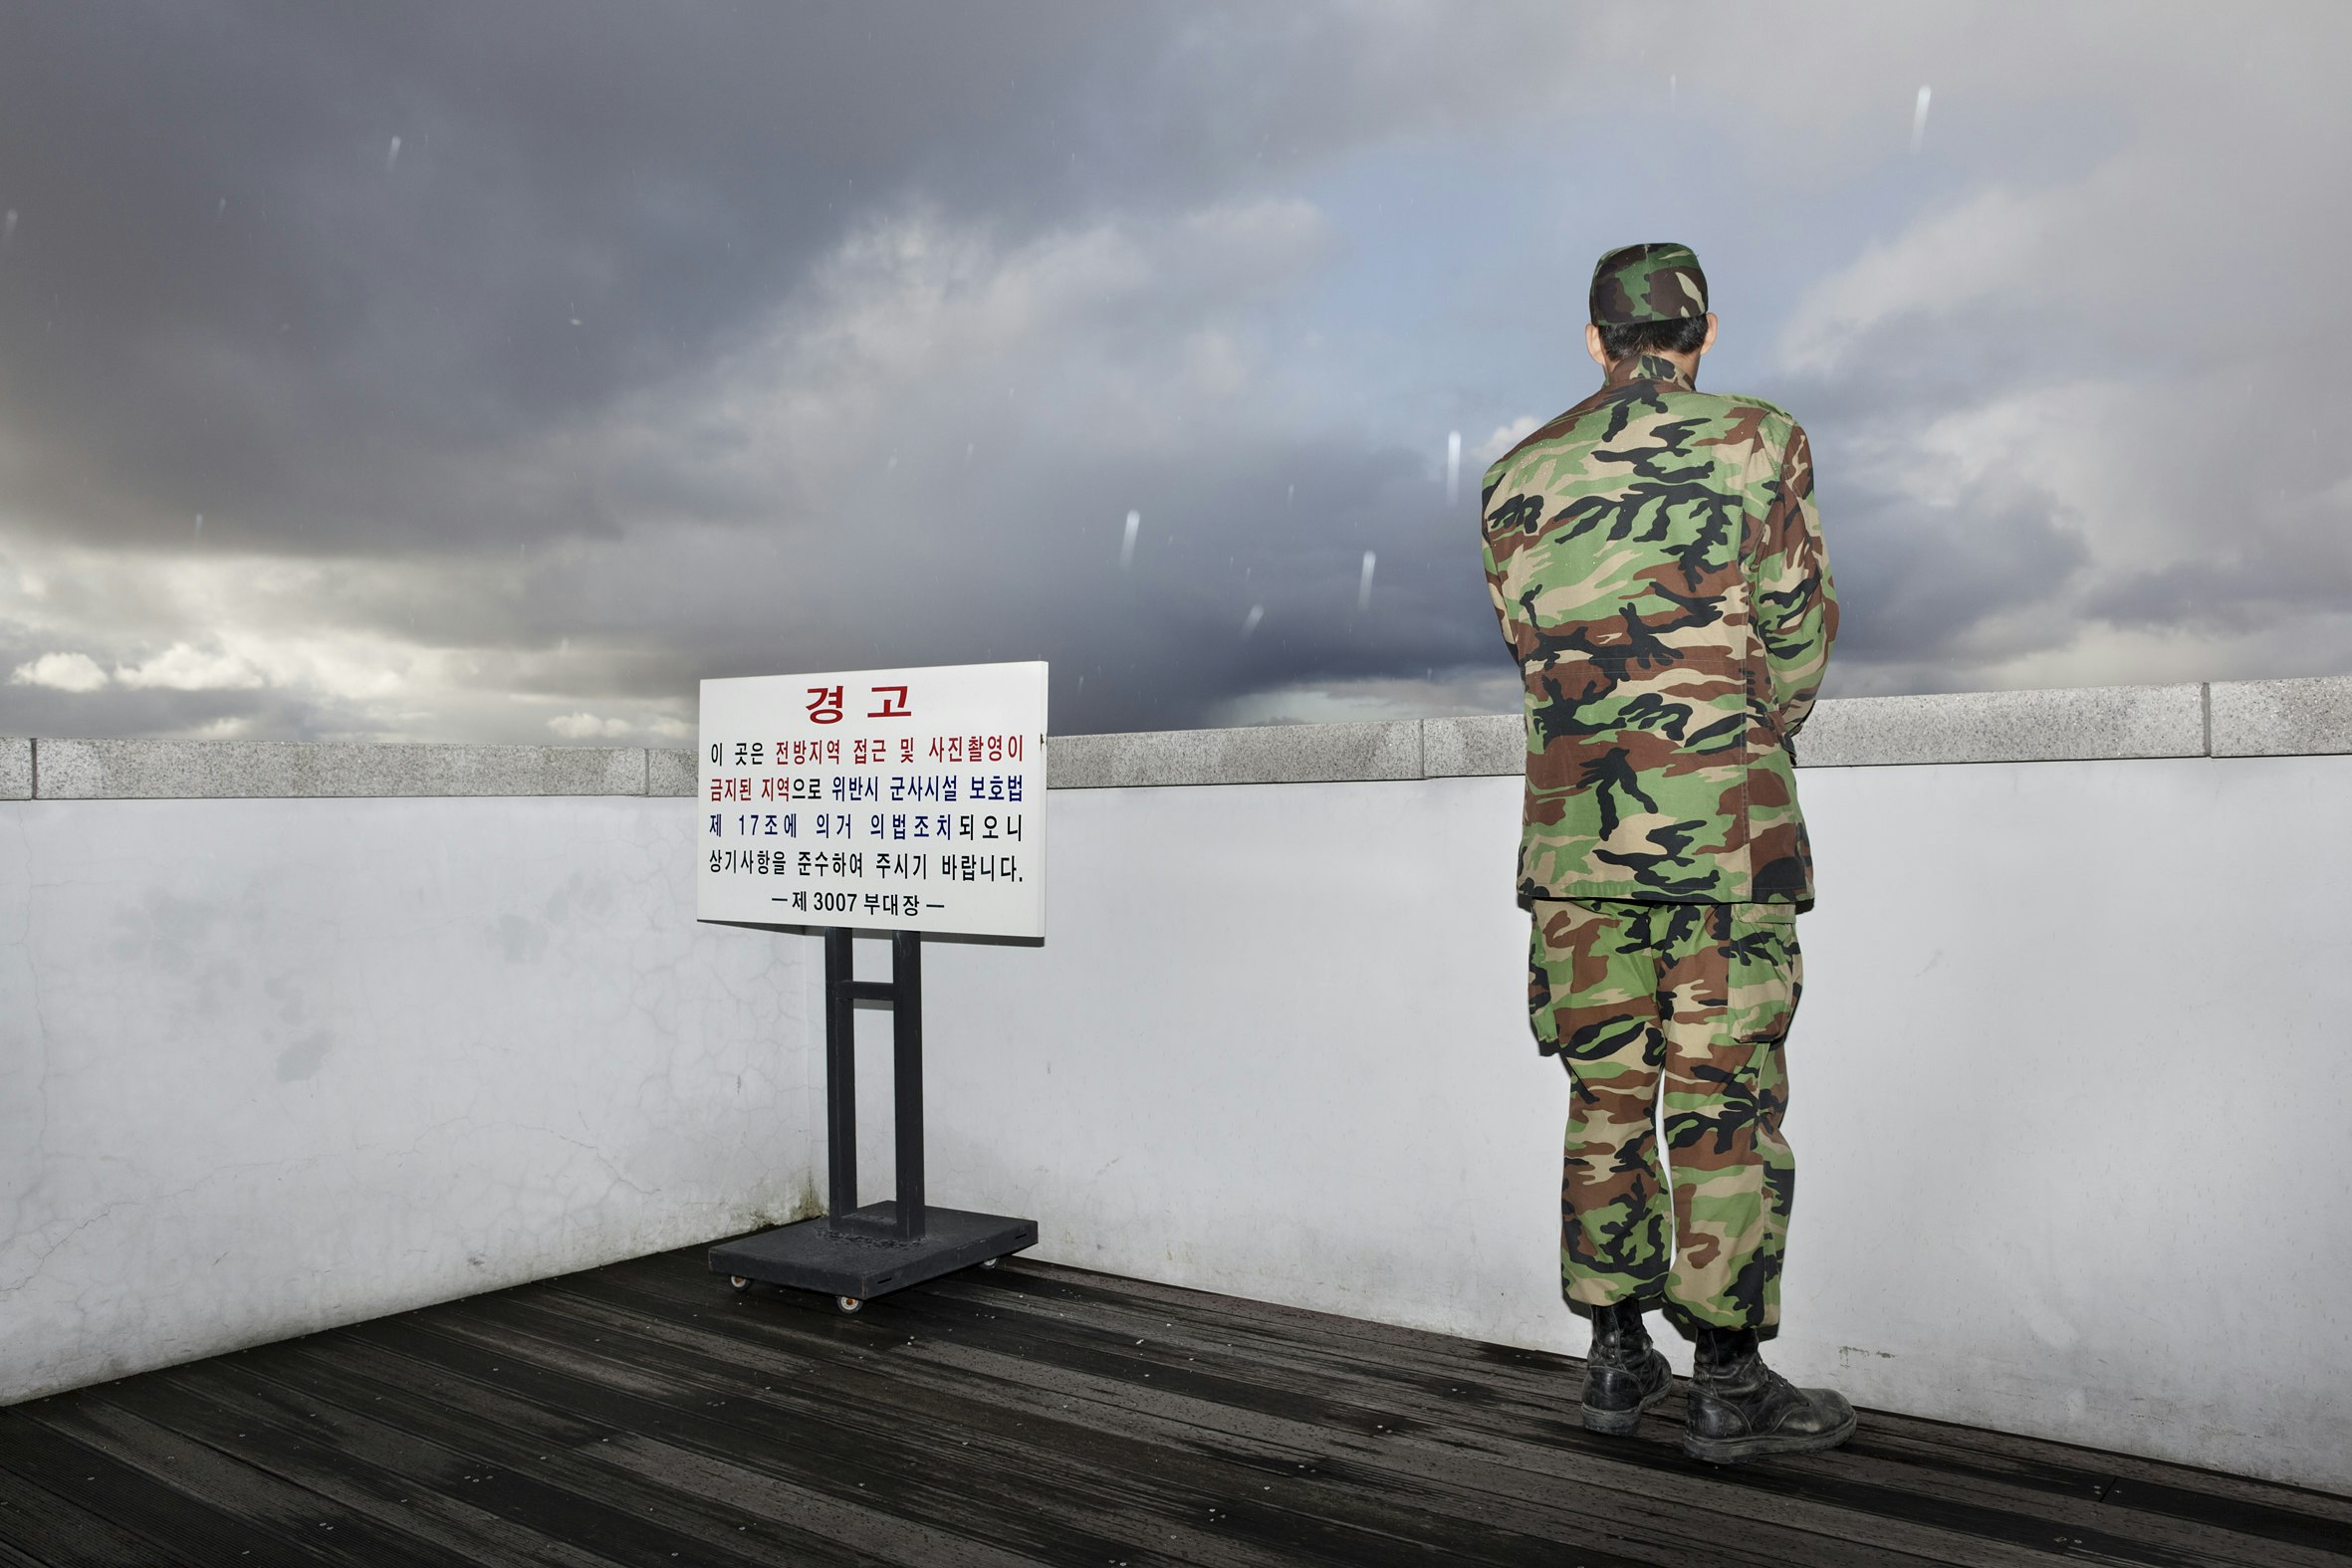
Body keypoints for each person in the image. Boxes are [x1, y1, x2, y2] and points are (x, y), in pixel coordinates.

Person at [1477, 242, 1849, 1463]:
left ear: (1594, 339)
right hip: (1724, 847)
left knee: (1604, 1101)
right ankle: (1729, 1388)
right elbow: (1792, 635)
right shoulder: (1757, 439)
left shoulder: (1515, 477)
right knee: (1721, 1105)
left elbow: (1537, 654)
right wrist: (1743, 734)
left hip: (1576, 855)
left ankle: (1614, 1360)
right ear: (1701, 333)